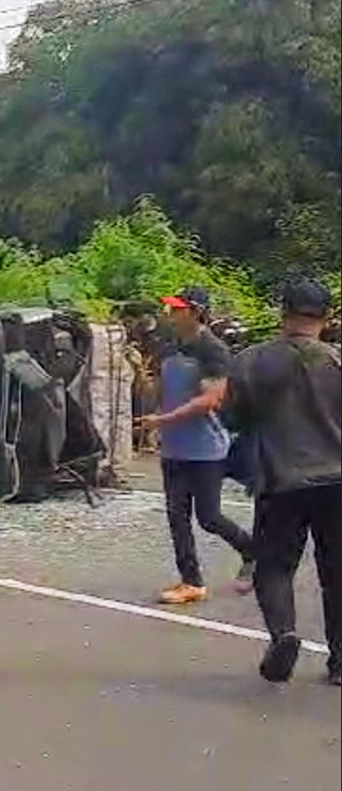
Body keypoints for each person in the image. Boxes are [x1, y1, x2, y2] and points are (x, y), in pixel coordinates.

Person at [223, 275, 341, 685]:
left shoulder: (252, 361)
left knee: (272, 566)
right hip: (337, 482)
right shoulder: (337, 361)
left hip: (280, 479)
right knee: (337, 572)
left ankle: (284, 633)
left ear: (282, 314)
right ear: (326, 318)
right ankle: (340, 663)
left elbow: (231, 417)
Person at [135, 286, 255, 604]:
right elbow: (160, 387)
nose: (171, 314)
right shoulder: (169, 346)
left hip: (205, 449)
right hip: (173, 448)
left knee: (209, 516)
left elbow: (210, 400)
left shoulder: (212, 351)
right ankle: (191, 582)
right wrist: (148, 392)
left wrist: (163, 420)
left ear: (194, 312)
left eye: (177, 309)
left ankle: (252, 550)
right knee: (177, 517)